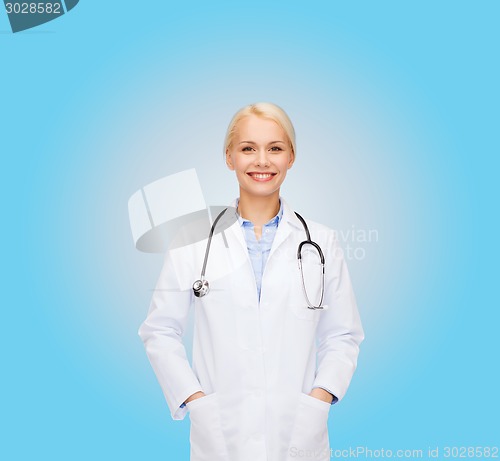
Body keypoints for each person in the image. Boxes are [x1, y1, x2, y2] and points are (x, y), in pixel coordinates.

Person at [138, 102, 364, 461]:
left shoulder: (322, 242)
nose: (262, 161)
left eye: (275, 148)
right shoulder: (192, 239)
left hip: (299, 434)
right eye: (248, 149)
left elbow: (343, 335)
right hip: (220, 436)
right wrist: (195, 400)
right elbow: (159, 330)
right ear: (229, 157)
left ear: (291, 157)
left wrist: (321, 398)